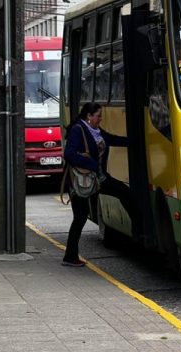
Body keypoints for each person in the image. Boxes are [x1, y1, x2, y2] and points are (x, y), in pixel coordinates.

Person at [61, 102, 134, 267]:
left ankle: (136, 230)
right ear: (89, 116)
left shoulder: (96, 131)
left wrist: (134, 141)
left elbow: (112, 139)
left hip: (98, 179)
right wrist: (92, 164)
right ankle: (70, 256)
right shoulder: (78, 130)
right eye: (98, 116)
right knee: (80, 218)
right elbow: (69, 154)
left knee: (124, 192)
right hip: (81, 182)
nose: (101, 119)